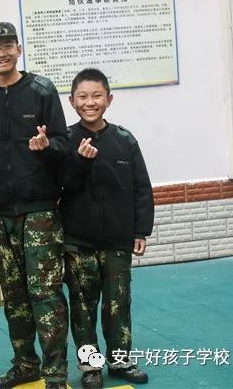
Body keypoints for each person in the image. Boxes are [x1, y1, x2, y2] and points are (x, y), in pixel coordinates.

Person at [0, 22, 69, 389]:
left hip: (39, 211)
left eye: (7, 45)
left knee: (45, 292)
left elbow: (62, 143)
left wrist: (47, 146)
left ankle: (55, 372)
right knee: (14, 295)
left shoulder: (42, 90)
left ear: (19, 49)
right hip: (1, 215)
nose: (1, 53)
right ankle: (25, 364)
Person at [60, 68, 153, 388]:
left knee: (118, 305)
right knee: (82, 308)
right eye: (83, 97)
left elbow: (142, 188)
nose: (90, 102)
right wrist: (79, 161)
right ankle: (91, 367)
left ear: (109, 100)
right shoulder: (65, 140)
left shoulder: (124, 140)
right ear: (72, 101)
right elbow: (61, 184)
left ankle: (120, 362)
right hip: (77, 242)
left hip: (117, 241)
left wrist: (140, 231)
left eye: (97, 96)